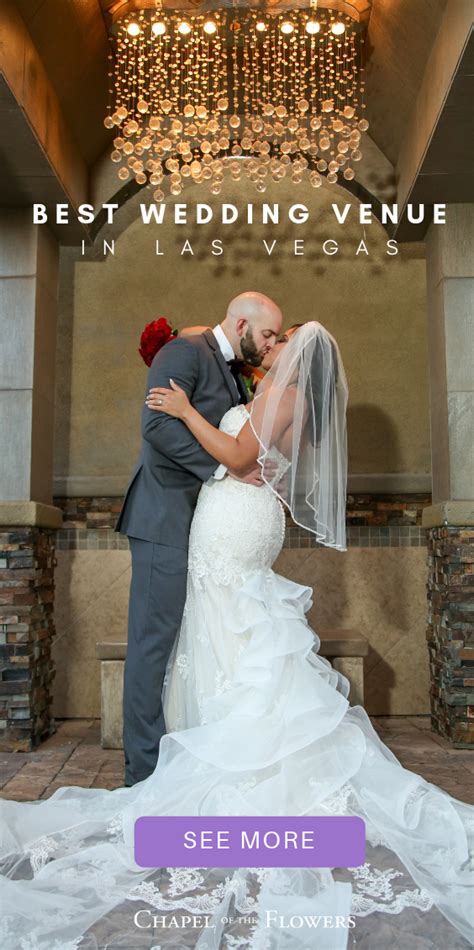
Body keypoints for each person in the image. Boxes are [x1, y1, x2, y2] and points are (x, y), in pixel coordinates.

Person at [0, 322, 473, 950]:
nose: (270, 345)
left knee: (233, 625)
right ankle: (232, 753)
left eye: (281, 339)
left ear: (295, 353)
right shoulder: (280, 390)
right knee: (231, 632)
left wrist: (187, 409)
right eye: (270, 335)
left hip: (234, 521)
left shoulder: (287, 395)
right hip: (238, 520)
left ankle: (243, 770)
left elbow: (236, 458)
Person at [115, 291, 282, 786]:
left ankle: (184, 759)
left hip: (204, 528)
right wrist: (224, 470)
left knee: (187, 641)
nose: (270, 343)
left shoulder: (231, 371)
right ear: (240, 323)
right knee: (153, 644)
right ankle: (142, 776)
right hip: (162, 518)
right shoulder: (184, 353)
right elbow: (157, 425)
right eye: (267, 334)